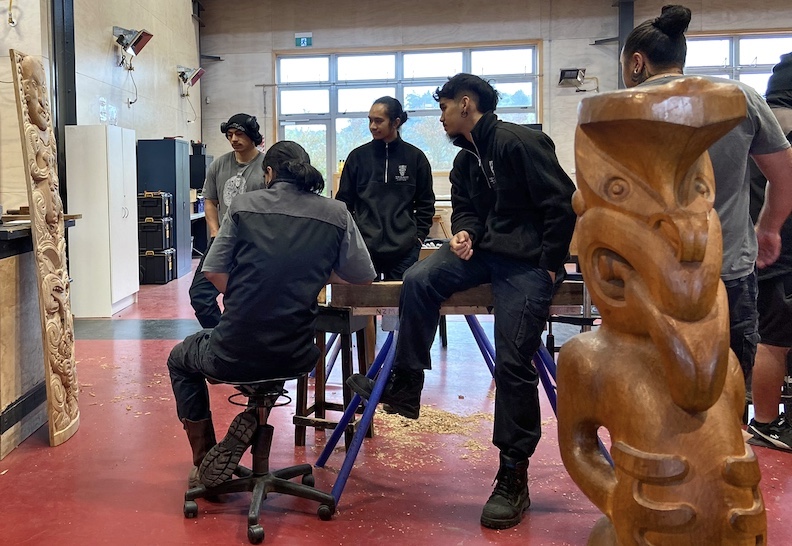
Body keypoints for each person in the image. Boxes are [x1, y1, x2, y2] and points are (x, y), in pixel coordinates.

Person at [348, 74, 577, 530]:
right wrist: (466, 231)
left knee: (513, 359)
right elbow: (466, 205)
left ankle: (513, 472)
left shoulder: (518, 142)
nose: (441, 116)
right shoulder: (465, 158)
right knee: (419, 279)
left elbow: (562, 204)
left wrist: (550, 266)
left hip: (528, 264)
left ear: (467, 105)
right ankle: (407, 383)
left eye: (445, 107)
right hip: (486, 254)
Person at [168, 141, 376, 489]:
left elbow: (214, 272)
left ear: (269, 173)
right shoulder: (337, 213)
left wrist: (251, 296)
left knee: (180, 359)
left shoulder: (245, 206)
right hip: (296, 355)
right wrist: (317, 273)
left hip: (235, 348)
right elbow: (363, 275)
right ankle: (254, 414)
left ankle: (205, 461)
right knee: (276, 350)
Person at [620, 5, 792, 387]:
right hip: (726, 269)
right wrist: (768, 228)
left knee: (654, 396)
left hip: (651, 278)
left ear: (636, 62)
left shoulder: (619, 110)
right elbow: (786, 175)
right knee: (725, 397)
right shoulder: (739, 98)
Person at [336, 96, 435, 280]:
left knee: (401, 304)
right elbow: (344, 203)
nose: (372, 126)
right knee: (364, 307)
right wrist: (352, 239)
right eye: (370, 120)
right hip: (364, 249)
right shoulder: (357, 158)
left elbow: (426, 203)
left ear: (396, 122)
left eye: (379, 121)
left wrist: (418, 238)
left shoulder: (416, 158)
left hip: (405, 250)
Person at [747, 52, 792, 451]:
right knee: (774, 341)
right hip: (778, 251)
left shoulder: (756, 122)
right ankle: (764, 422)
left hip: (753, 250)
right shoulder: (785, 133)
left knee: (769, 337)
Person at [188, 113, 267, 328]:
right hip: (222, 240)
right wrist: (214, 231)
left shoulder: (266, 166)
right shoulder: (219, 165)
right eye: (230, 135)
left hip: (255, 243)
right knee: (200, 296)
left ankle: (244, 342)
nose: (233, 139)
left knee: (247, 299)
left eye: (239, 134)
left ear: (252, 136)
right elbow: (210, 201)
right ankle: (220, 338)